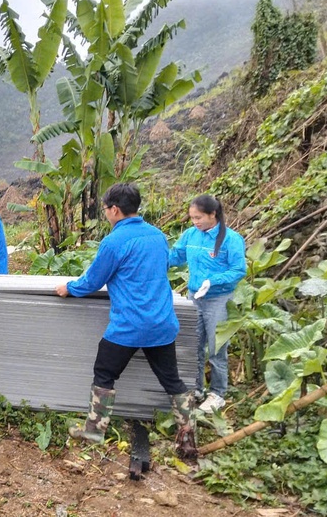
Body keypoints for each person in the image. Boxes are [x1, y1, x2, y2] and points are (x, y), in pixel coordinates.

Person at [55, 183, 196, 459]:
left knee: (105, 373)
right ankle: (188, 436)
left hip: (129, 326)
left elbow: (93, 281)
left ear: (115, 210)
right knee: (173, 382)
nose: (106, 213)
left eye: (106, 209)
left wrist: (68, 288)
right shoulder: (157, 236)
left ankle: (94, 432)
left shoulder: (114, 242)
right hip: (162, 324)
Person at [169, 194, 246, 414]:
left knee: (216, 347)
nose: (195, 222)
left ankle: (218, 393)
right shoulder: (190, 235)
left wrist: (213, 281)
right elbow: (175, 257)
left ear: (213, 214)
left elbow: (238, 270)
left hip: (218, 299)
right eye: (192, 218)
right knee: (194, 344)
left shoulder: (231, 239)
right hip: (195, 297)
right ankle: (196, 389)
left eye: (199, 217)